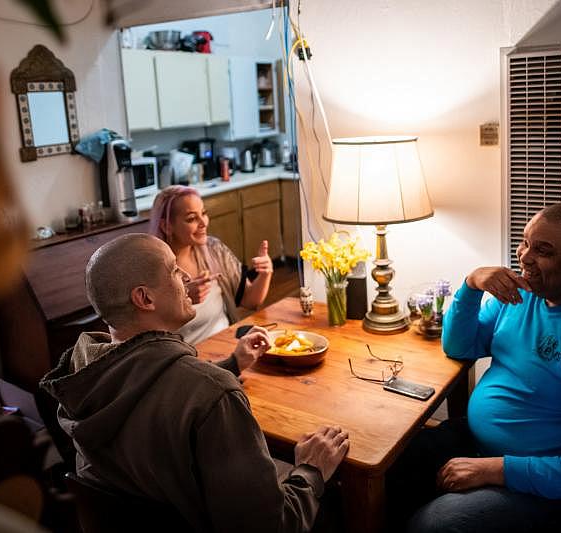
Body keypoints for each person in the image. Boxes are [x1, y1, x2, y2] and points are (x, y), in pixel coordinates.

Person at [39, 233, 349, 532]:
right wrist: (310, 470)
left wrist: (232, 364)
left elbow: (148, 384)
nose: (186, 277)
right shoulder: (213, 394)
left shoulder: (82, 371)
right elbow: (270, 525)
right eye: (174, 270)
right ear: (145, 298)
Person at [394, 202, 561, 532]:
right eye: (525, 242)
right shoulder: (524, 296)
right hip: (485, 448)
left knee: (437, 524)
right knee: (391, 465)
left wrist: (495, 470)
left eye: (543, 250)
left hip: (556, 488)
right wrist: (471, 285)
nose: (524, 256)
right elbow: (459, 345)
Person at [149, 185, 273, 345]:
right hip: (184, 361)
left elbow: (250, 300)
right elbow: (148, 333)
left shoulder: (214, 249)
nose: (203, 223)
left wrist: (265, 273)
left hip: (227, 347)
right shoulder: (151, 268)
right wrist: (184, 299)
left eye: (204, 213)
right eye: (191, 218)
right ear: (166, 226)